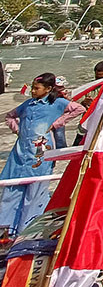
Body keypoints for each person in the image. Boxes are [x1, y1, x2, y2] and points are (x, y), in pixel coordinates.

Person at [0, 73, 84, 239]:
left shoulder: (57, 103)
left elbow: (79, 109)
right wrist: (17, 129)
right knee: (11, 188)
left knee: (35, 191)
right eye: (32, 87)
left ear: (48, 89)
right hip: (20, 153)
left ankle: (28, 230)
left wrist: (56, 124)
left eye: (36, 88)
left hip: (40, 153)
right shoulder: (27, 105)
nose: (32, 91)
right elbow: (9, 116)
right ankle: (6, 229)